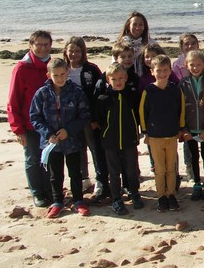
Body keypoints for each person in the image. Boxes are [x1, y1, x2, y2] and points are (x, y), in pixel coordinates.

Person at [29, 57, 90, 218]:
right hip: (52, 143)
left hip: (73, 141)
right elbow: (35, 117)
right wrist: (48, 134)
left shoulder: (76, 92)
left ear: (67, 72)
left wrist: (69, 130)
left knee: (75, 173)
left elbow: (84, 115)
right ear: (48, 75)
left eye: (62, 74)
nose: (60, 78)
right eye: (56, 75)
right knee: (55, 175)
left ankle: (78, 200)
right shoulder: (42, 94)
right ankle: (58, 201)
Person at [7, 30, 54, 207]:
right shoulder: (22, 69)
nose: (42, 48)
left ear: (51, 45)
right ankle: (37, 193)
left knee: (49, 158)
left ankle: (49, 190)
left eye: (46, 44)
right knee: (33, 159)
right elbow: (13, 101)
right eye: (38, 44)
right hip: (29, 125)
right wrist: (17, 129)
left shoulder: (52, 65)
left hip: (51, 124)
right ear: (31, 45)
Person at [92, 63, 143, 215]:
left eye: (121, 78)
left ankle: (134, 193)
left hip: (129, 140)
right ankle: (116, 199)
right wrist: (106, 131)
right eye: (114, 79)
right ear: (108, 80)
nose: (118, 81)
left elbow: (139, 115)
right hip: (110, 142)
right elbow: (98, 120)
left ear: (126, 78)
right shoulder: (103, 99)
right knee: (114, 172)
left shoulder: (133, 96)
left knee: (132, 170)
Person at [139, 54, 185, 213]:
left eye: (165, 70)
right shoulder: (148, 91)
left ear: (170, 71)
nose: (162, 74)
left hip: (171, 135)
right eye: (159, 70)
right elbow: (142, 112)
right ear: (152, 72)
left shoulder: (175, 89)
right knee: (159, 169)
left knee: (171, 168)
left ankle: (171, 194)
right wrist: (145, 131)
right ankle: (161, 197)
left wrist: (181, 128)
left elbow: (181, 110)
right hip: (155, 136)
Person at [63, 36, 102, 191]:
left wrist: (96, 117)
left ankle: (100, 178)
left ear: (83, 52)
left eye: (77, 51)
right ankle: (84, 178)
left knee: (95, 147)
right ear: (65, 51)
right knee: (78, 148)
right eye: (71, 51)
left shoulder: (91, 69)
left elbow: (99, 94)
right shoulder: (62, 70)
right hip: (70, 118)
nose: (74, 54)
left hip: (89, 117)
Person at [180, 50, 204, 201]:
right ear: (186, 65)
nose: (195, 68)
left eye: (198, 64)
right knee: (193, 157)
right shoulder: (183, 84)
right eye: (192, 65)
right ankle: (197, 183)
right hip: (190, 129)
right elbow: (180, 109)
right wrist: (184, 129)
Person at [118, 11, 151, 76]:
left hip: (146, 78)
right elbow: (114, 66)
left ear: (144, 27)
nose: (137, 28)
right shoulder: (121, 45)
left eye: (140, 25)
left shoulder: (150, 44)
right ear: (128, 26)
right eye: (134, 24)